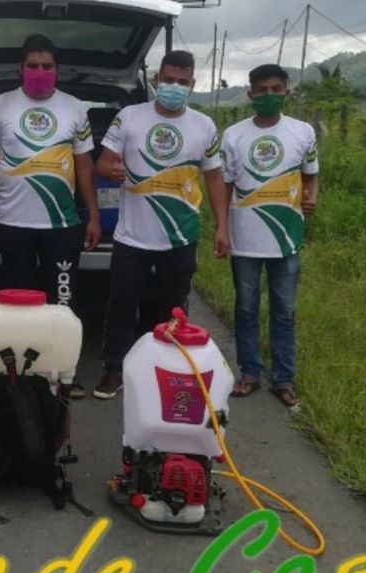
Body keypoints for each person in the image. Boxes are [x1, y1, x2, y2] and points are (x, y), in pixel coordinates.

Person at [93, 50, 230, 400]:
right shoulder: (129, 116)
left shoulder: (204, 125)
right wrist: (111, 170)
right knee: (122, 304)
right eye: (168, 80)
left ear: (192, 84)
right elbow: (102, 164)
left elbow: (215, 178)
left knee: (173, 308)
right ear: (156, 80)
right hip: (132, 236)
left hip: (180, 235)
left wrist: (222, 226)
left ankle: (166, 370)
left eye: (182, 82)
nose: (174, 87)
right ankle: (114, 369)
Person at [0, 34, 101, 399]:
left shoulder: (75, 108)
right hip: (12, 224)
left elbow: (84, 167)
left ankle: (63, 375)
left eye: (47, 66)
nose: (40, 71)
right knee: (17, 306)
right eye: (32, 65)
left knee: (62, 305)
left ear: (57, 70)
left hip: (62, 226)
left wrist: (94, 216)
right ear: (21, 68)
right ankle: (18, 375)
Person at [221, 63, 319, 409]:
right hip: (244, 239)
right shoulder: (233, 135)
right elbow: (225, 185)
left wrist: (312, 196)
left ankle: (283, 379)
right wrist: (221, 228)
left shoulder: (303, 132)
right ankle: (249, 373)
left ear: (286, 92)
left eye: (276, 89)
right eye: (262, 90)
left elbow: (310, 175)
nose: (269, 95)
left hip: (286, 239)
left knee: (284, 311)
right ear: (250, 94)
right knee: (246, 308)